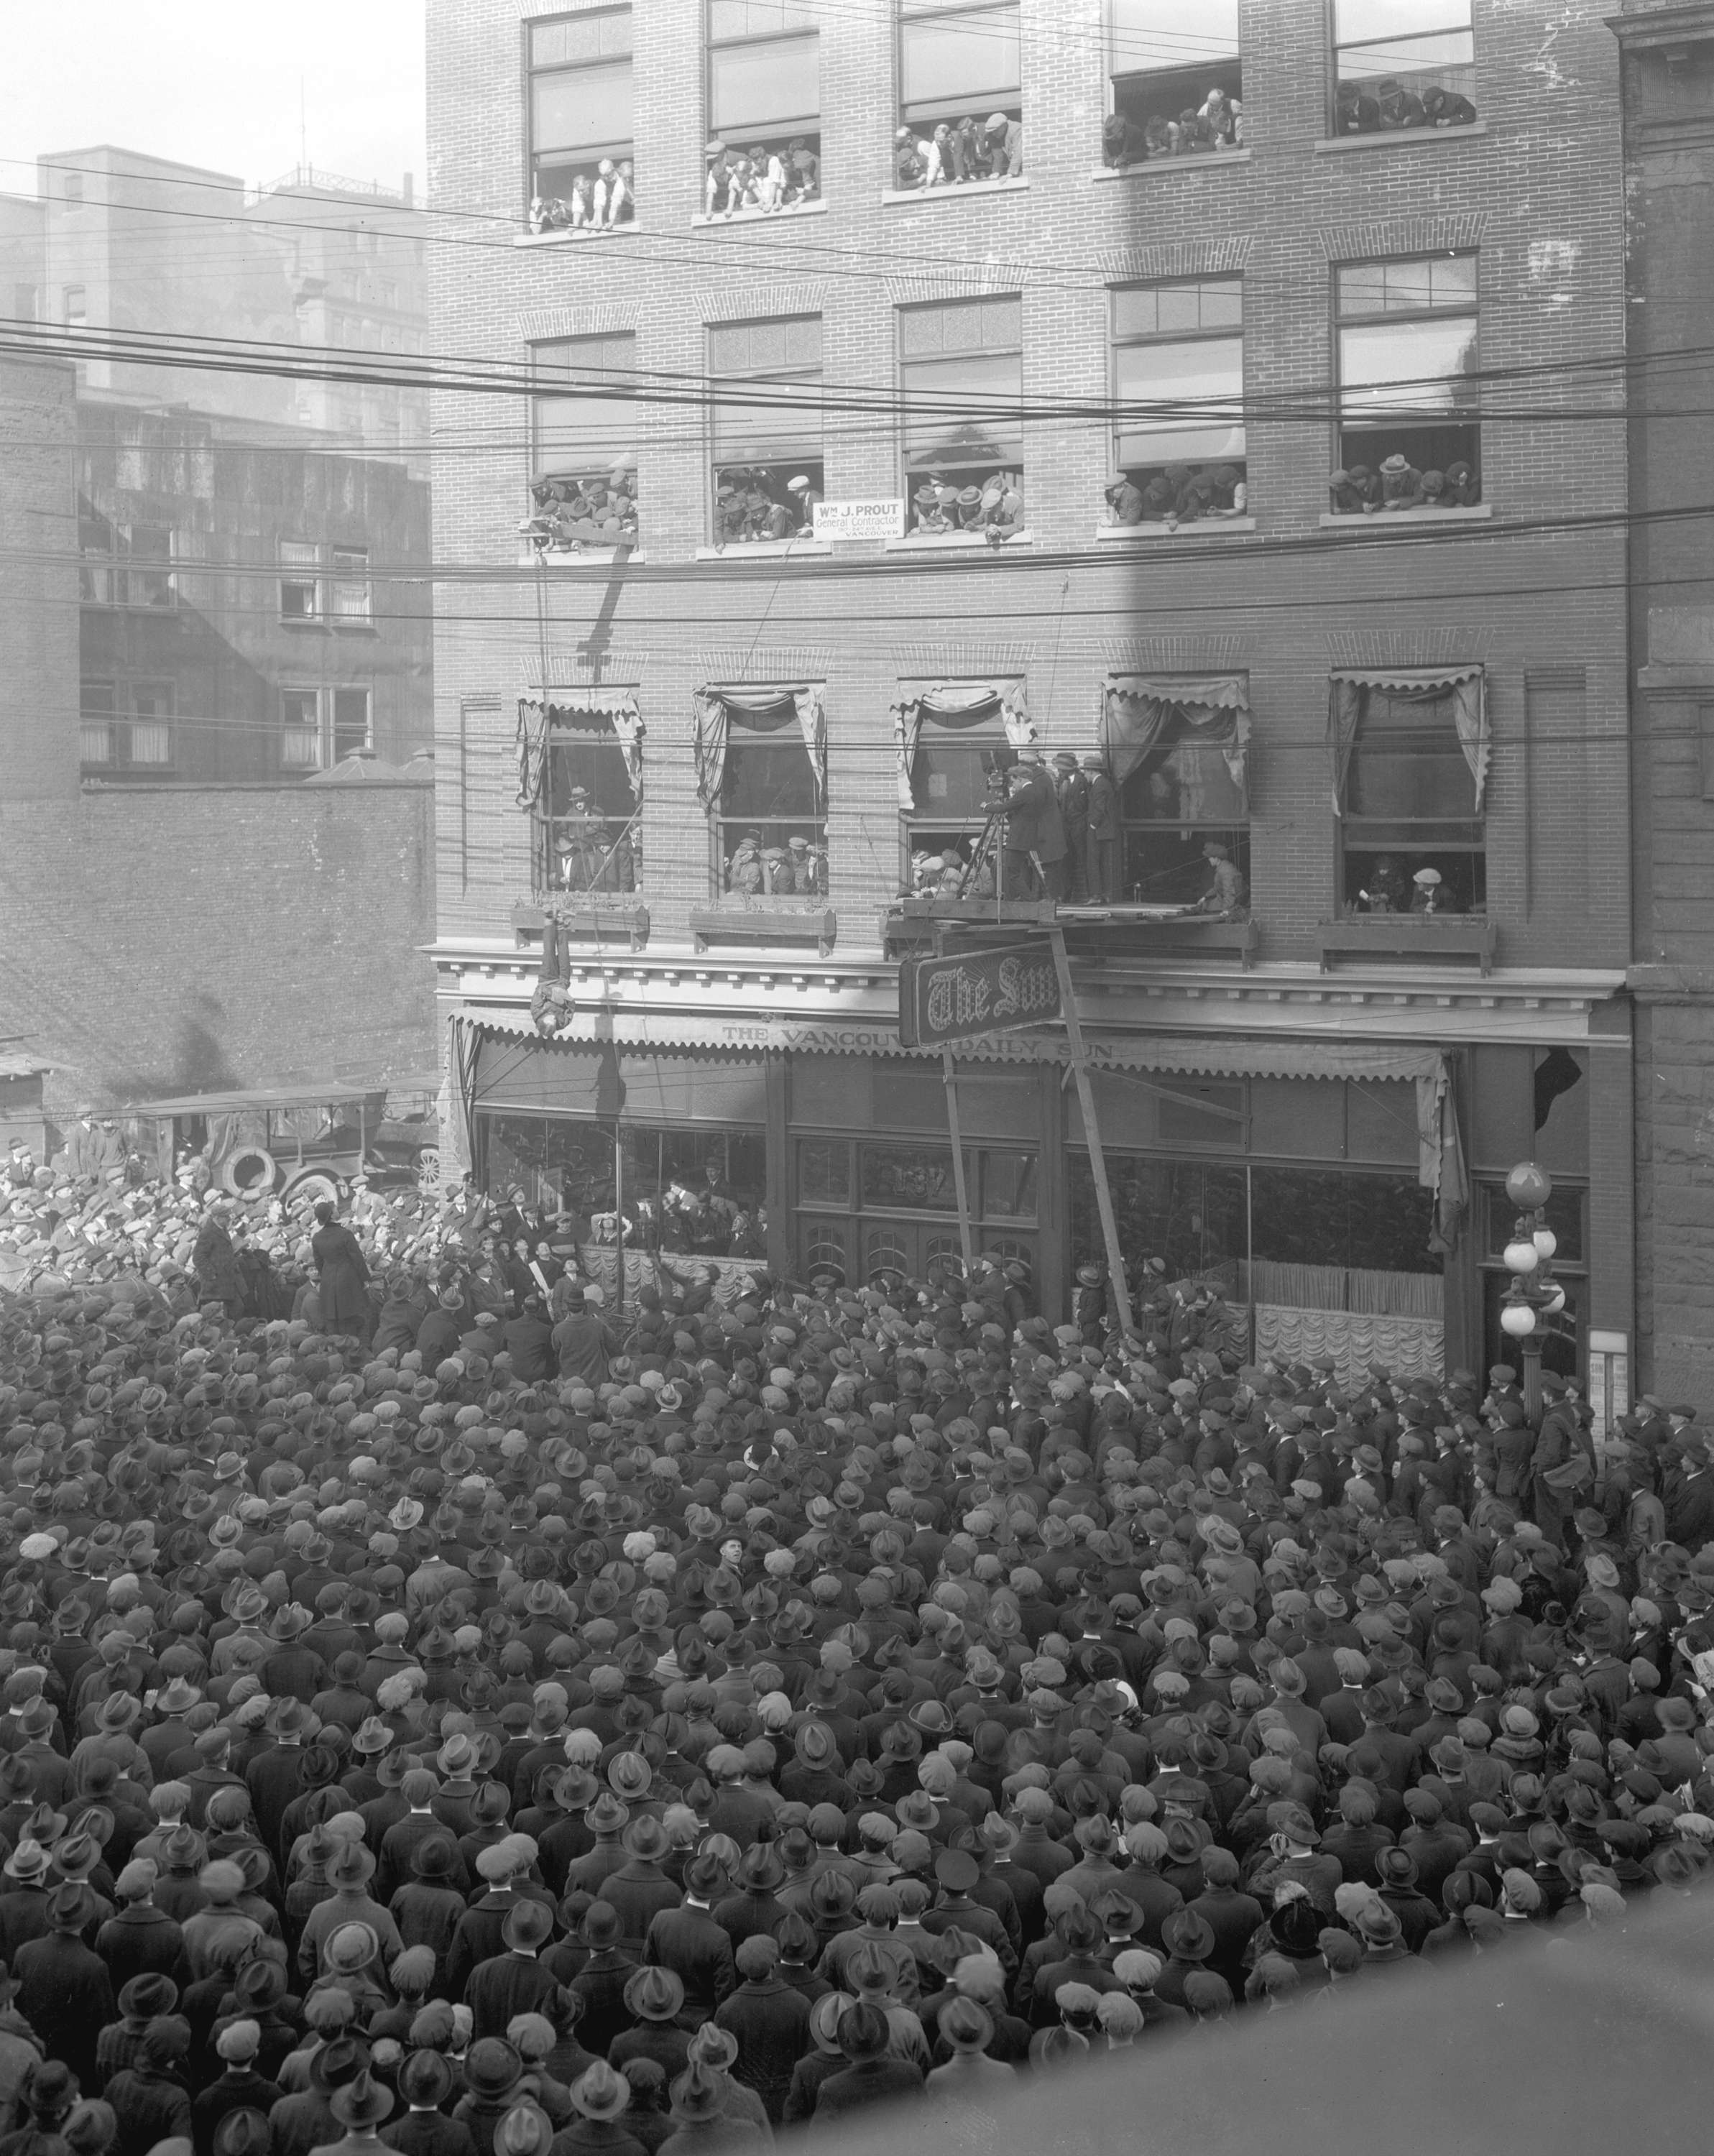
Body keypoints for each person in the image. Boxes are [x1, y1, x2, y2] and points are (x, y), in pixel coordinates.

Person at [312, 1202, 373, 1342]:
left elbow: (319, 1263)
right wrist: (365, 1279)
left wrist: (327, 1274)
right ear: (332, 1215)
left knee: (333, 1324)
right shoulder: (345, 1234)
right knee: (351, 1323)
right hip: (348, 1281)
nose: (337, 1210)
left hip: (328, 1281)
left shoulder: (317, 1237)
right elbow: (358, 1259)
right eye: (335, 1209)